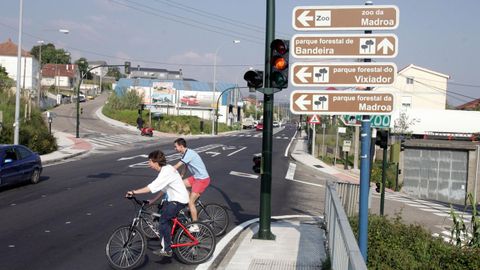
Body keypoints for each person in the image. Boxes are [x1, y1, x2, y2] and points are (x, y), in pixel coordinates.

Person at [125, 150, 189, 257]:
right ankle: (170, 239)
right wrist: (153, 200)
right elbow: (163, 188)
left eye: (150, 161)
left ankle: (167, 249)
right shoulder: (166, 169)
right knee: (162, 218)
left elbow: (151, 187)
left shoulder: (166, 172)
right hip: (174, 199)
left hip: (178, 200)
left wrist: (134, 192)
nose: (149, 164)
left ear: (156, 162)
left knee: (163, 220)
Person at [173, 138, 210, 232]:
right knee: (179, 185)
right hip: (196, 177)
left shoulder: (189, 154)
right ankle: (190, 202)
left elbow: (177, 166)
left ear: (181, 146)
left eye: (175, 147)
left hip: (202, 179)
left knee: (190, 202)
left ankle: (195, 226)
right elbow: (185, 167)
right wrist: (180, 177)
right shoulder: (186, 154)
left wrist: (166, 172)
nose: (175, 149)